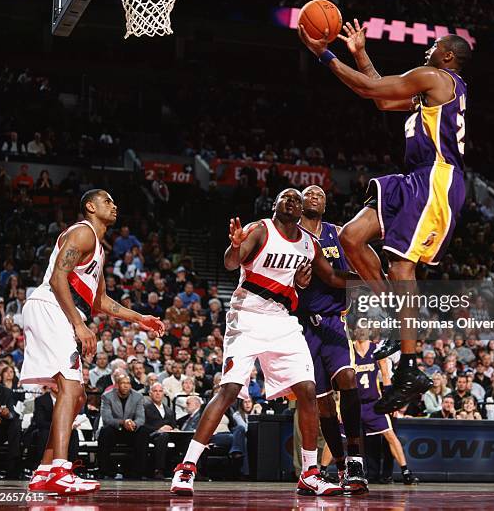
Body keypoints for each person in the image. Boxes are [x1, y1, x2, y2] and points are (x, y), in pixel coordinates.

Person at [299, 20, 471, 414]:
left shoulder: (436, 77)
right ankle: (396, 316)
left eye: (434, 45)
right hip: (413, 177)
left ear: (448, 56)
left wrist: (323, 54)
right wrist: (360, 53)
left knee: (400, 264)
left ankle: (410, 369)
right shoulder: (428, 90)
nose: (427, 49)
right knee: (351, 237)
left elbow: (369, 89)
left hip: (436, 177)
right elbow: (380, 98)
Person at [171, 188, 355, 496]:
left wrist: (370, 280)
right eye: (286, 197)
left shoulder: (310, 244)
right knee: (229, 390)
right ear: (274, 205)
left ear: (301, 212)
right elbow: (231, 264)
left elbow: (333, 278)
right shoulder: (259, 229)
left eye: (297, 199)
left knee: (308, 390)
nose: (292, 201)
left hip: (283, 319)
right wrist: (234, 247)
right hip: (248, 315)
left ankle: (310, 472)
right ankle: (187, 467)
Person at [19, 189, 164, 494]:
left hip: (58, 309)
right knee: (70, 389)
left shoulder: (97, 248)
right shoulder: (83, 233)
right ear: (90, 206)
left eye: (115, 201)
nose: (115, 205)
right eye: (108, 201)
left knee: (76, 396)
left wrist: (141, 319)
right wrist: (78, 325)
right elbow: (59, 278)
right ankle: (60, 470)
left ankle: (45, 471)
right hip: (52, 306)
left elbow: (98, 301)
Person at [297, 185, 367, 493]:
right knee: (322, 405)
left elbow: (357, 267)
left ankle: (356, 463)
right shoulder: (290, 236)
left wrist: (374, 279)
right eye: (307, 192)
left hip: (334, 322)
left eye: (320, 193)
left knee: (349, 379)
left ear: (326, 204)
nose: (313, 195)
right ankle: (339, 466)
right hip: (301, 328)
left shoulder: (338, 233)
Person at [353, 332, 419, 485]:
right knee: (358, 441)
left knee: (390, 436)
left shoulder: (380, 349)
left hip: (376, 401)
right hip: (355, 402)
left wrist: (390, 401)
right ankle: (361, 473)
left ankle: (403, 472)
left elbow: (387, 376)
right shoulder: (350, 350)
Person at [98, 374, 148, 479]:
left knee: (143, 431)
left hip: (131, 430)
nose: (126, 386)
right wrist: (123, 422)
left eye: (128, 383)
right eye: (123, 383)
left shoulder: (138, 397)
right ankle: (105, 471)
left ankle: (138, 472)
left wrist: (134, 424)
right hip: (115, 429)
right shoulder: (107, 396)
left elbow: (141, 418)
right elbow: (107, 419)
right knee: (105, 431)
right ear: (116, 385)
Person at [144, 382, 177, 478]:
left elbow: (173, 425)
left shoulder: (169, 410)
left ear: (163, 394)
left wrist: (175, 429)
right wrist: (159, 429)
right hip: (152, 435)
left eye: (160, 391)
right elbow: (143, 425)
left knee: (186, 438)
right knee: (163, 436)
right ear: (150, 394)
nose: (158, 393)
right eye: (155, 391)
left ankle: (185, 470)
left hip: (169, 435)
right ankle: (159, 470)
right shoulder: (145, 408)